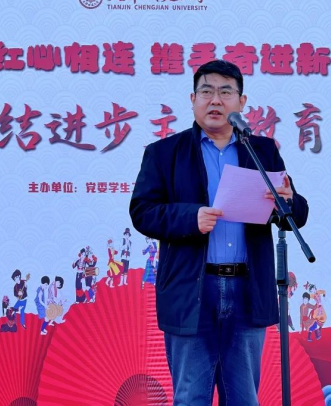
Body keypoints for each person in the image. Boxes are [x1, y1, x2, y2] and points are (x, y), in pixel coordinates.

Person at [130, 60, 309, 405]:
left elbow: (294, 214)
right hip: (192, 291)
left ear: (241, 102)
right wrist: (190, 218)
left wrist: (287, 202)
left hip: (247, 290)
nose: (215, 100)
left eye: (226, 92)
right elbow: (142, 211)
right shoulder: (164, 153)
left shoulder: (262, 151)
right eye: (206, 91)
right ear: (192, 99)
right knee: (190, 398)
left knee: (243, 398)